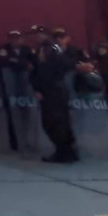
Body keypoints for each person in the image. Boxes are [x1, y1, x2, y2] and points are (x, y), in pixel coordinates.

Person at [31, 25, 88, 163]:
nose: (37, 36)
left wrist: (77, 67)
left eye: (40, 34)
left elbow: (61, 65)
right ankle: (64, 151)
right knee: (53, 122)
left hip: (54, 89)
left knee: (57, 122)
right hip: (48, 90)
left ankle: (65, 153)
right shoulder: (40, 50)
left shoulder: (51, 49)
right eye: (35, 34)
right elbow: (37, 71)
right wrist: (37, 88)